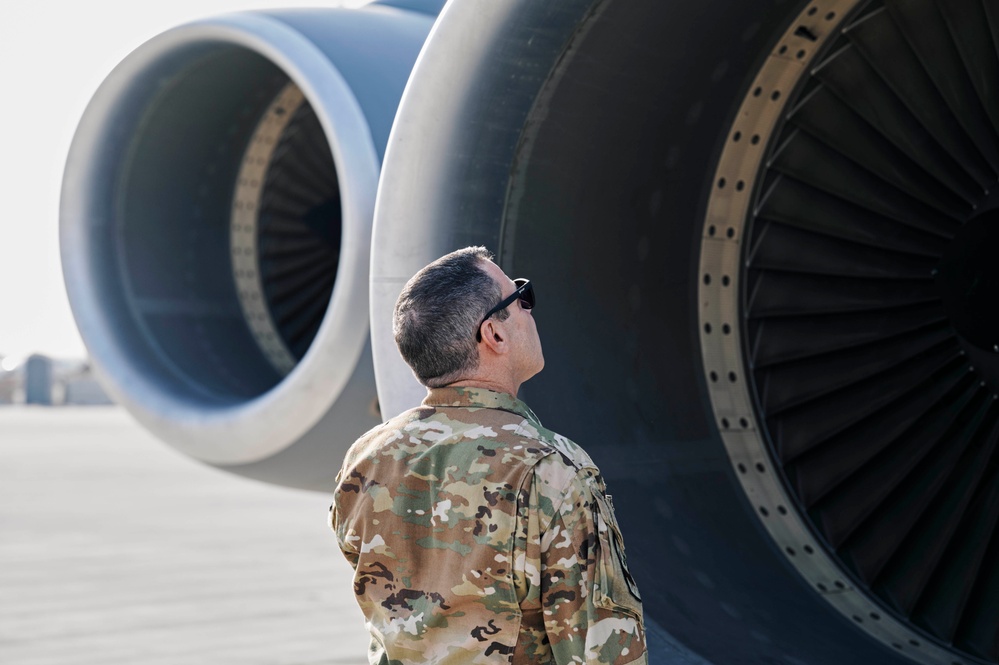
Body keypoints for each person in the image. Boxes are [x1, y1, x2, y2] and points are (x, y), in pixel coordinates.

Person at [330, 246, 646, 664]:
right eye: (521, 297)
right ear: (494, 335)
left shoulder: (367, 458)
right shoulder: (549, 470)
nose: (530, 309)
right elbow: (601, 648)